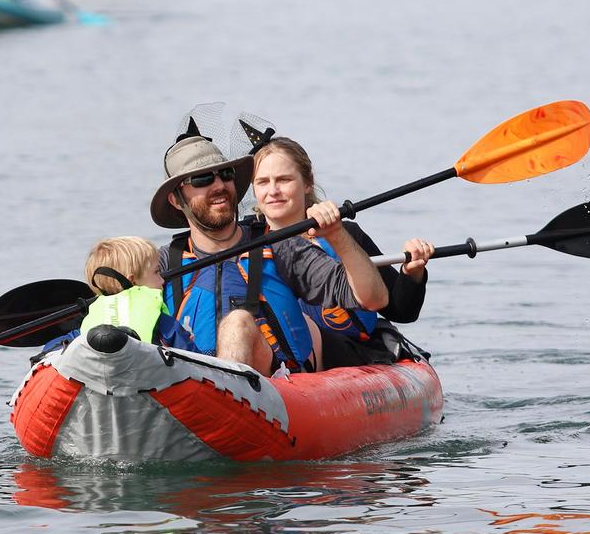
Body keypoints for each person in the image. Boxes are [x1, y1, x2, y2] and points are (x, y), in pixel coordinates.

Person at [152, 135, 389, 377]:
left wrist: (337, 235)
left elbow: (374, 299)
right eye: (202, 179)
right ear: (175, 199)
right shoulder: (160, 263)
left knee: (238, 323)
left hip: (277, 382)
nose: (219, 186)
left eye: (226, 175)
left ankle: (227, 393)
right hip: (191, 388)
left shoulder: (281, 246)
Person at [251, 137, 433, 369]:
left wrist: (412, 273)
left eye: (284, 180)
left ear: (307, 182)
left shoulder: (346, 236)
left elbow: (402, 311)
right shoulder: (245, 244)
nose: (273, 191)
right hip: (277, 359)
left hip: (348, 356)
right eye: (263, 182)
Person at [41, 237, 199, 354]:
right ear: (132, 281)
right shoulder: (160, 321)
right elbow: (194, 359)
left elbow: (53, 347)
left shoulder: (95, 315)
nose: (162, 280)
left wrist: (48, 354)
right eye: (157, 272)